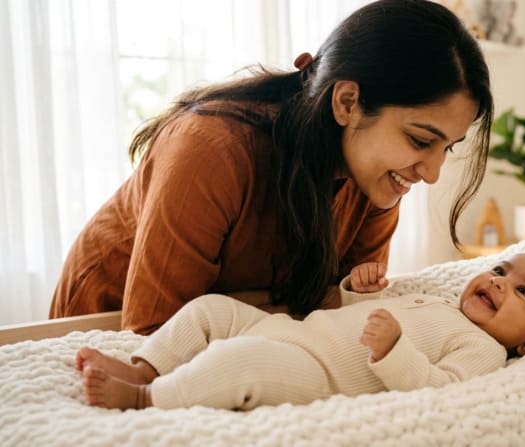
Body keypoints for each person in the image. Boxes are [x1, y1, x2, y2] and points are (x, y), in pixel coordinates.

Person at [50, 0, 495, 334]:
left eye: (447, 148)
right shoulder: (210, 149)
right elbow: (156, 331)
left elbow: (349, 313)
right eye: (420, 141)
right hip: (98, 328)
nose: (431, 173)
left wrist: (258, 309)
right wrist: (291, 308)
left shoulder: (378, 182)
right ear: (347, 102)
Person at [77, 252, 525, 410]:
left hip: (315, 371)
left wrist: (393, 352)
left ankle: (145, 398)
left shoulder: (484, 350)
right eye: (501, 272)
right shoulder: (438, 301)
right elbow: (358, 319)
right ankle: (145, 362)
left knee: (241, 362)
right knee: (212, 309)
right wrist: (360, 293)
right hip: (292, 330)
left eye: (523, 293)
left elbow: (442, 390)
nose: (499, 285)